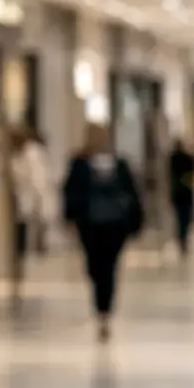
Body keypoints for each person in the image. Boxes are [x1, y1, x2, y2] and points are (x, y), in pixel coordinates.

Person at [63, 123, 144, 341]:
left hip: (115, 225)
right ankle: (102, 306)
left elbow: (132, 194)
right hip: (89, 224)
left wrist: (135, 221)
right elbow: (70, 192)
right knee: (95, 266)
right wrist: (70, 218)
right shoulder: (80, 164)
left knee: (108, 266)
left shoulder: (120, 164)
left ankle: (104, 310)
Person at [8, 126, 53, 282]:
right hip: (22, 199)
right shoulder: (16, 154)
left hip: (32, 198)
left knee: (35, 229)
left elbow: (38, 179)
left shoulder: (33, 154)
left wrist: (38, 200)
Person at [168, 136, 194, 259]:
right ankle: (183, 237)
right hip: (186, 192)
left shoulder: (172, 159)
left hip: (177, 192)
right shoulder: (187, 159)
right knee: (185, 217)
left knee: (179, 217)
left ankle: (181, 237)